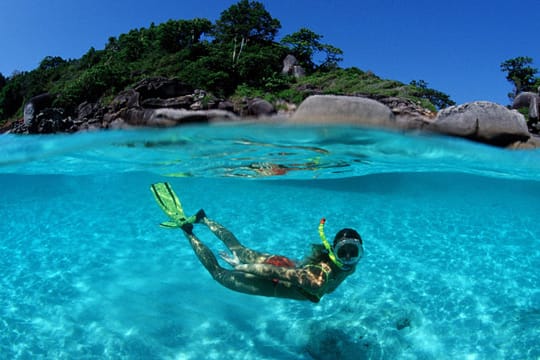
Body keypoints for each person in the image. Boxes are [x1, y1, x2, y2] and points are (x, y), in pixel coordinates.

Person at [150, 182, 364, 303]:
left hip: (288, 267)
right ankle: (188, 231)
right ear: (333, 250)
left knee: (239, 249)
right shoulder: (316, 281)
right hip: (275, 279)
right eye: (343, 252)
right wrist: (242, 267)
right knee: (219, 274)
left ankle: (203, 218)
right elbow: (274, 273)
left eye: (353, 252)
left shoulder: (348, 267)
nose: (347, 258)